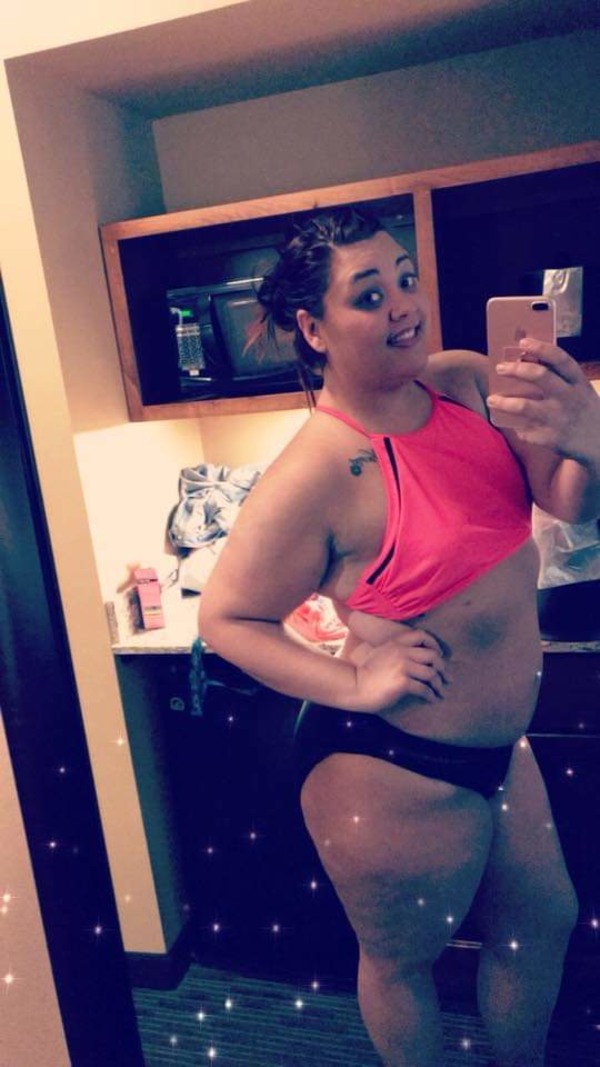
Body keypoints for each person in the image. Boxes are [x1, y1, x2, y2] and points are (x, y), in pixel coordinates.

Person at [197, 207, 600, 1067]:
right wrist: (353, 682)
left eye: (406, 279)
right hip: (388, 761)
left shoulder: (464, 383)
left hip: (501, 748)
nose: (404, 305)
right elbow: (225, 618)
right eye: (369, 295)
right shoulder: (316, 468)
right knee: (402, 962)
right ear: (314, 329)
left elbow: (566, 500)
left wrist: (587, 439)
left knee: (543, 923)